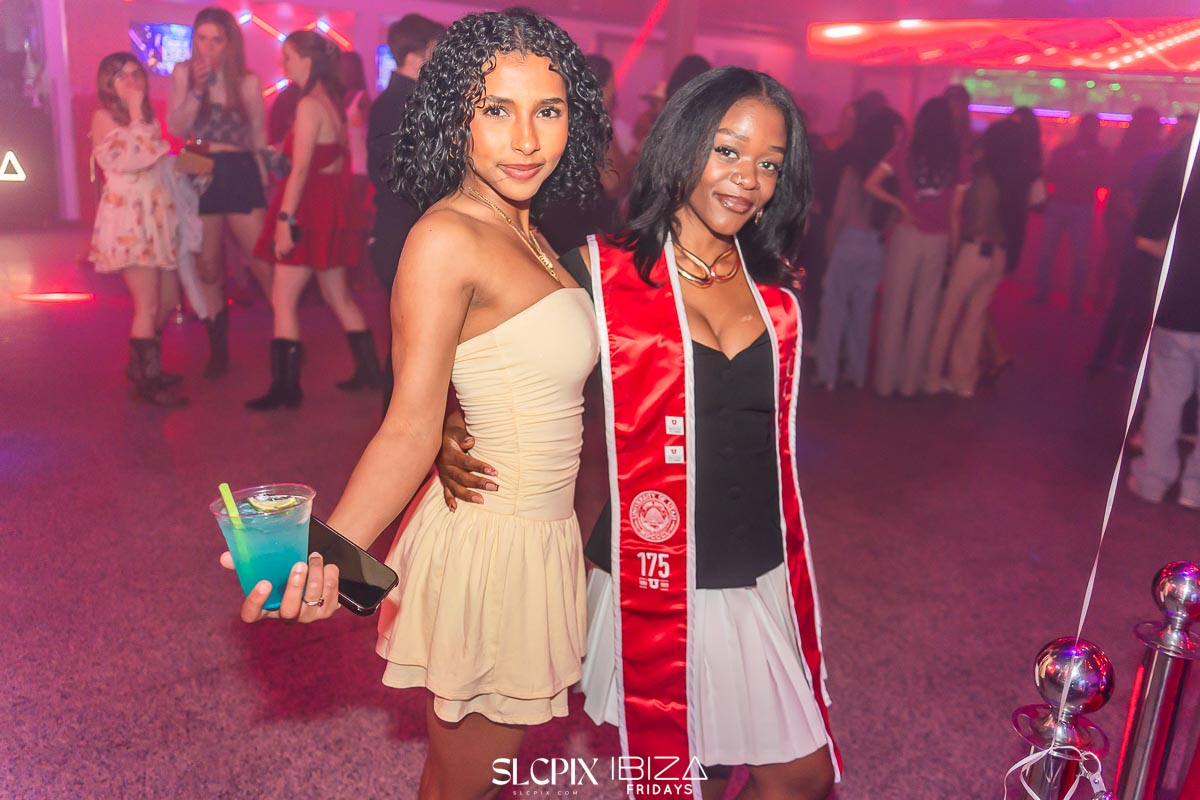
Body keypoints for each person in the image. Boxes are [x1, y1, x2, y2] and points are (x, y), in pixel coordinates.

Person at [222, 10, 608, 799]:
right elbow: (407, 426)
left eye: (548, 110)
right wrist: (322, 561)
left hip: (534, 532)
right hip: (494, 547)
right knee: (467, 782)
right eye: (496, 109)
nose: (526, 139)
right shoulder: (447, 237)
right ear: (456, 116)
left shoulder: (528, 227)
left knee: (471, 777)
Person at [440, 66, 840, 799]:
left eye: (769, 164)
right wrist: (451, 425)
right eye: (727, 151)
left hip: (755, 568)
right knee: (729, 773)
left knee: (792, 775)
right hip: (656, 570)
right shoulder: (600, 274)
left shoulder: (775, 289)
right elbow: (494, 360)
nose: (746, 179)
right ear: (683, 143)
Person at [245, 31, 381, 410]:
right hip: (328, 207)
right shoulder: (329, 102)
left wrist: (284, 219)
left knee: (283, 297)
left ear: (307, 61)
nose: (283, 64)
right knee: (337, 295)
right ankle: (370, 371)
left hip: (307, 208)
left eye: (287, 57)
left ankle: (286, 388)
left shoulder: (308, 105)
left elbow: (302, 169)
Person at [167, 6, 270, 379]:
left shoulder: (247, 81)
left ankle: (287, 334)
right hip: (197, 162)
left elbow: (258, 134)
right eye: (201, 38)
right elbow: (175, 126)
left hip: (238, 165)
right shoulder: (183, 73)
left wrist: (264, 179)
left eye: (216, 40)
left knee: (260, 258)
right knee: (207, 264)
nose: (207, 47)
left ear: (230, 43)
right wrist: (197, 90)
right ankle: (218, 350)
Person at [90, 52, 186, 407]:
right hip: (129, 219)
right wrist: (135, 113)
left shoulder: (144, 117)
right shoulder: (103, 118)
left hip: (153, 215)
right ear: (108, 84)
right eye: (120, 76)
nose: (131, 81)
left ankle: (140, 365)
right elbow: (136, 157)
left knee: (167, 300)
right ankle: (148, 382)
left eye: (135, 73)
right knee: (147, 305)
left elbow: (157, 164)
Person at [367, 14, 445, 416]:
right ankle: (401, 430)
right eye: (437, 49)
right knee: (412, 345)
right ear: (417, 54)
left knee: (416, 343)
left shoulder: (403, 100)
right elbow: (396, 176)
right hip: (403, 237)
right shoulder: (400, 104)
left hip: (404, 234)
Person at [868, 96, 963, 397]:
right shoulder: (958, 157)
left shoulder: (905, 149)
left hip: (906, 233)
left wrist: (900, 204)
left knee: (895, 306)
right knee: (924, 310)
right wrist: (953, 250)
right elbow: (956, 211)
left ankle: (885, 383)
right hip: (938, 238)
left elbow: (871, 183)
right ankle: (909, 385)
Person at [925, 120, 1026, 397]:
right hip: (999, 253)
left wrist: (955, 249)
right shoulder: (1017, 179)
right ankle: (963, 381)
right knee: (975, 318)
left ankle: (932, 378)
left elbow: (976, 218)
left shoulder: (984, 175)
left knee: (947, 314)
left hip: (975, 249)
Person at [1090, 113, 1196, 375]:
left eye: (1188, 131)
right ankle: (1102, 358)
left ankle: (1125, 360)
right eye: (1179, 130)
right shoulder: (1152, 160)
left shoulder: (1192, 170)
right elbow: (1123, 199)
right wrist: (1146, 224)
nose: (1182, 136)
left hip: (1172, 259)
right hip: (1141, 250)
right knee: (1123, 304)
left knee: (1144, 309)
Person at [1127, 130, 1200, 509]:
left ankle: (1153, 481)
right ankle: (1194, 491)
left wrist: (1183, 259)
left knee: (1166, 399)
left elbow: (1145, 238)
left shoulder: (1178, 165)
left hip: (1176, 305)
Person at [815, 107, 903, 389]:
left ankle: (827, 374)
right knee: (862, 313)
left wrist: (828, 251)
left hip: (849, 240)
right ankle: (857, 373)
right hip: (875, 245)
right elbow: (892, 218)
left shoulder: (854, 172)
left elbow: (838, 216)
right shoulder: (892, 177)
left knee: (834, 309)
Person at [1029, 113, 1108, 309]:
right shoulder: (1096, 152)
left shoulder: (1071, 150)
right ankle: (1071, 299)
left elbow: (1050, 174)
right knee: (1068, 254)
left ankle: (1056, 296)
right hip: (1072, 204)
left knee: (1061, 253)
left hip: (1069, 203)